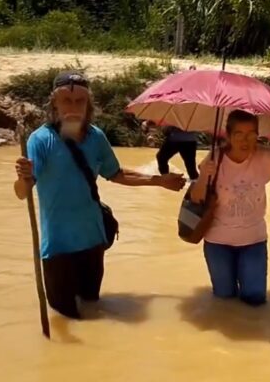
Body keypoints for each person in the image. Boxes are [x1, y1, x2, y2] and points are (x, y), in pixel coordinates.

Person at [14, 71, 186, 319]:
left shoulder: (96, 138)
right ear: (54, 103)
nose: (73, 106)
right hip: (57, 247)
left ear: (89, 104)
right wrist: (23, 177)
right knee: (66, 317)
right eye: (66, 100)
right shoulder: (40, 141)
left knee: (93, 307)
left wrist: (159, 181)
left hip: (92, 241)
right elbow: (22, 193)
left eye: (80, 101)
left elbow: (115, 174)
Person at [190, 110, 270, 306]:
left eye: (252, 134)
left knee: (255, 300)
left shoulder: (266, 157)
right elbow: (196, 198)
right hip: (218, 242)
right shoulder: (214, 158)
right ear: (228, 135)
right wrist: (204, 176)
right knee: (224, 299)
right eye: (239, 134)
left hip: (253, 241)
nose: (246, 140)